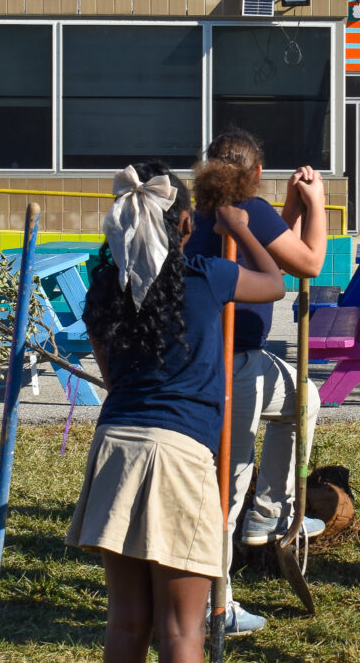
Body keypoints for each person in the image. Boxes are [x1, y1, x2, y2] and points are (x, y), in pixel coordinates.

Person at [66, 161, 285, 661]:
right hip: (180, 454)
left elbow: (111, 374)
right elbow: (274, 282)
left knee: (125, 622)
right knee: (181, 629)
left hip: (115, 448)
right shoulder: (206, 276)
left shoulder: (104, 287)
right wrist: (240, 231)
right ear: (186, 223)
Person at [186, 129, 328, 635]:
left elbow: (262, 250)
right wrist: (318, 206)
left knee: (304, 399)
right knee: (228, 479)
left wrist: (287, 209)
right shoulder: (245, 205)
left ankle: (267, 516)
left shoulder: (203, 208)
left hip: (215, 359)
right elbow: (307, 261)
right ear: (256, 175)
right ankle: (212, 602)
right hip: (234, 364)